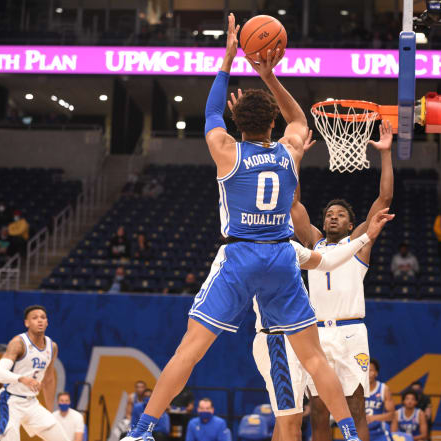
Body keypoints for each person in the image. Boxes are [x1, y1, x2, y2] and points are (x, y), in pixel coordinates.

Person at [123, 13, 363, 441]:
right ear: (273, 124)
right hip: (281, 256)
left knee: (189, 350)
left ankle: (139, 433)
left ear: (237, 125)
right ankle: (348, 431)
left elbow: (211, 113)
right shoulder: (289, 151)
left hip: (240, 255)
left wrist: (228, 59)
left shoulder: (226, 151)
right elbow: (300, 121)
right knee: (314, 360)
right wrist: (268, 75)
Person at [288, 120, 393, 441]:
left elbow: (384, 201)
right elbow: (292, 205)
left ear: (351, 225)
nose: (333, 215)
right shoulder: (314, 244)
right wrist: (296, 159)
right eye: (329, 213)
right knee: (318, 410)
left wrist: (386, 155)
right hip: (315, 334)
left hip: (350, 333)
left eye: (340, 214)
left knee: (355, 406)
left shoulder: (358, 245)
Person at [253, 209, 394, 441]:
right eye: (329, 214)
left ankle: (350, 435)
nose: (333, 218)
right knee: (292, 417)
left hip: (311, 334)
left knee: (294, 417)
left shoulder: (295, 249)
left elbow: (328, 261)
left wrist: (367, 237)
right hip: (277, 339)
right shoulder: (253, 254)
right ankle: (350, 434)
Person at [0, 304, 70, 441]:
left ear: (47, 322)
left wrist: (50, 411)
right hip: (10, 400)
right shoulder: (18, 343)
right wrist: (22, 379)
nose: (39, 320)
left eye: (43, 317)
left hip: (31, 402)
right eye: (34, 318)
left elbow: (49, 379)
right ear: (26, 323)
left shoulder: (52, 347)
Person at [365, 359, 394, 441]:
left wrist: (372, 418)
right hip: (362, 430)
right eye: (365, 370)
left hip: (379, 430)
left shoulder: (383, 389)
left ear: (376, 373)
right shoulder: (357, 390)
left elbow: (391, 415)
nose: (368, 373)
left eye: (370, 370)